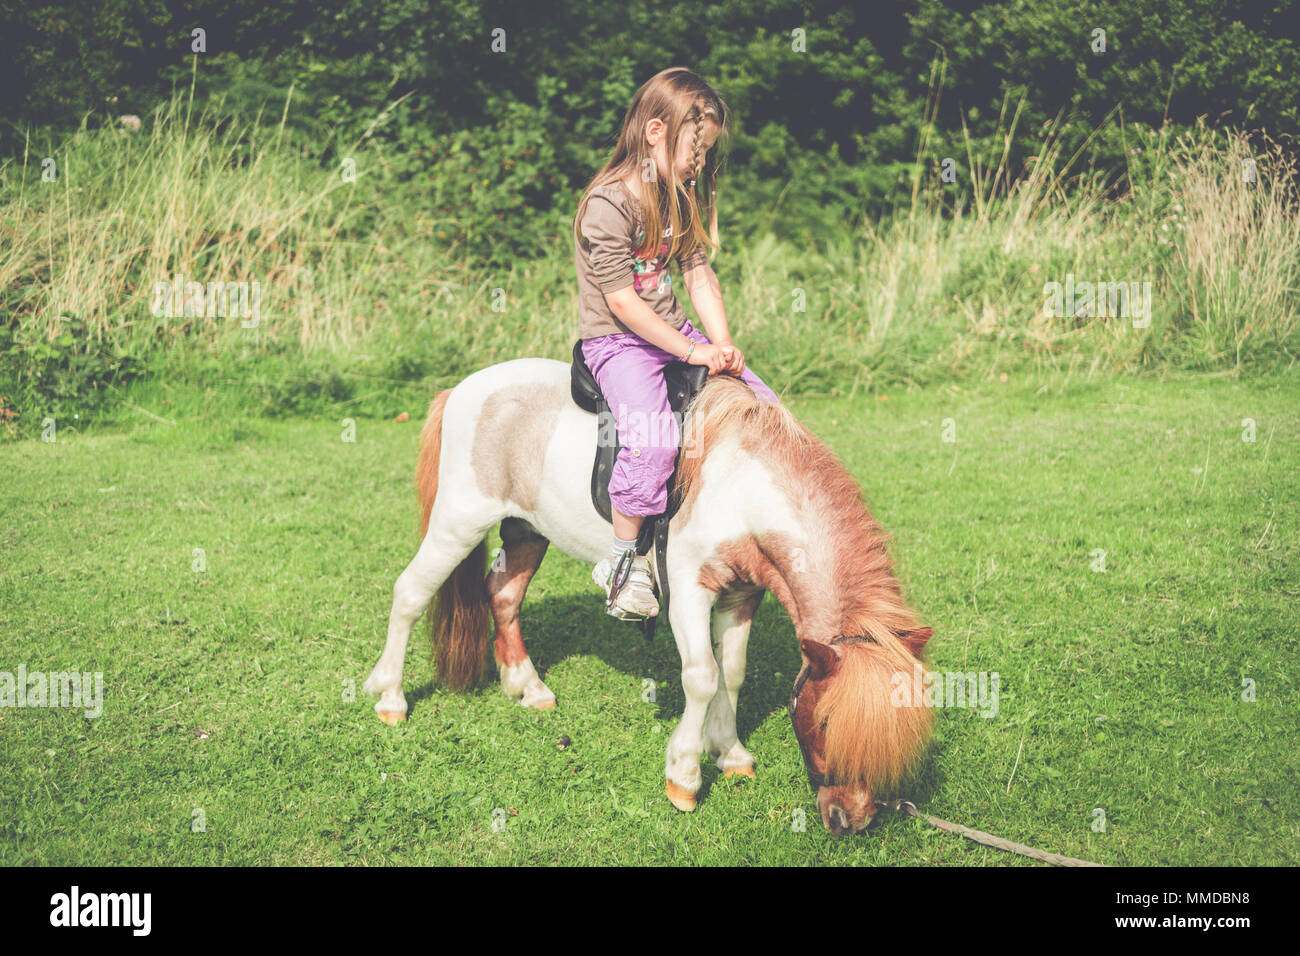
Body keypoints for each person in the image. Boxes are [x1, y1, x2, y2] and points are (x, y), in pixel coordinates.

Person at [573, 67, 780, 620]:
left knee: (768, 412)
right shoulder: (608, 204)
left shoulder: (679, 198)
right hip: (618, 343)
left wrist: (722, 343)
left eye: (708, 151)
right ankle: (624, 561)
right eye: (697, 147)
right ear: (656, 131)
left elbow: (697, 275)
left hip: (675, 337)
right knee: (654, 437)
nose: (701, 162)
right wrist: (692, 354)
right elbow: (621, 301)